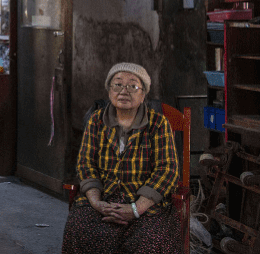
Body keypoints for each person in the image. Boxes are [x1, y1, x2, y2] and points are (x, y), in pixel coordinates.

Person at [61, 62, 181, 254]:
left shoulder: (158, 123)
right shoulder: (96, 121)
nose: (124, 91)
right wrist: (96, 202)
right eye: (117, 85)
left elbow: (167, 170)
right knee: (82, 230)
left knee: (148, 240)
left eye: (133, 86)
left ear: (143, 95)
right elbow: (86, 163)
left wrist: (136, 209)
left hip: (145, 203)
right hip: (104, 198)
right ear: (109, 91)